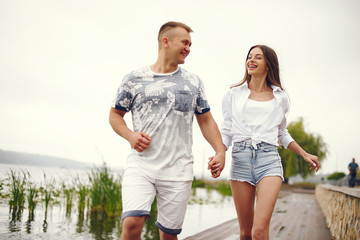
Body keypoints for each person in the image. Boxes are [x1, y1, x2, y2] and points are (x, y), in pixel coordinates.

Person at [109, 21, 225, 240]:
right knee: (132, 224)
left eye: (190, 45)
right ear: (166, 42)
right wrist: (130, 135)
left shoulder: (193, 82)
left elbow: (206, 120)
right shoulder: (133, 79)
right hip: (141, 165)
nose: (188, 49)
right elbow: (115, 115)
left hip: (178, 169)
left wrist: (219, 151)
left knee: (168, 236)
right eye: (185, 43)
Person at [216, 45, 320, 240]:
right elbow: (227, 130)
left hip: (269, 160)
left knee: (258, 231)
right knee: (246, 233)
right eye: (249, 57)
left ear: (269, 65)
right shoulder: (233, 94)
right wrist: (220, 153)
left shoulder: (280, 97)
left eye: (258, 57)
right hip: (240, 159)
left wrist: (304, 154)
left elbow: (282, 133)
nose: (251, 60)